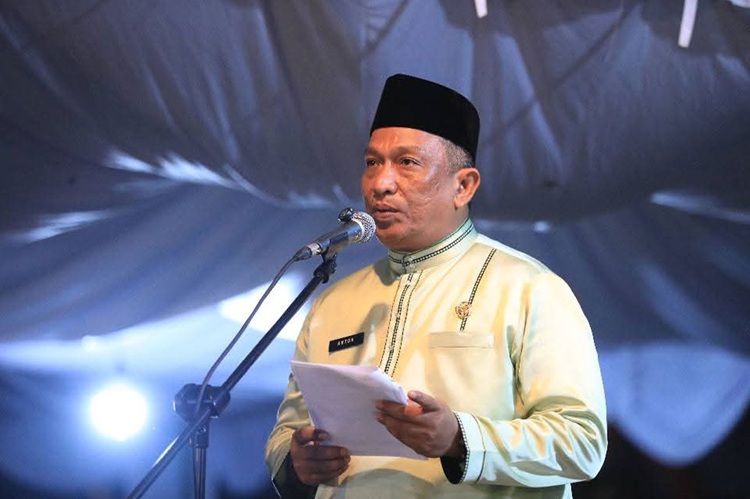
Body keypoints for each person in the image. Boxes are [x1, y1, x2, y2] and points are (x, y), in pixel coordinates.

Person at [265, 73, 607, 498]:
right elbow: (287, 433)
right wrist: (298, 460)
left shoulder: (529, 288)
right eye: (372, 163)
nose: (380, 184)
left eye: (407, 163)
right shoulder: (331, 302)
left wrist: (460, 438)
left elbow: (581, 442)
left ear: (463, 186)